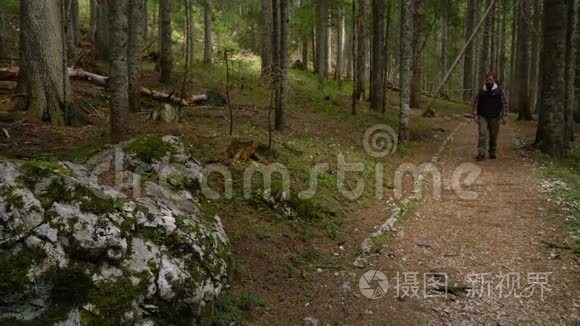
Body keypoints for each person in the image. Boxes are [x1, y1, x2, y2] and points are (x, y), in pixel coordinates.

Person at [473, 72, 508, 161]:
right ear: (486, 80)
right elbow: (476, 103)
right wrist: (475, 114)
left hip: (495, 116)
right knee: (482, 133)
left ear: (494, 80)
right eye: (488, 79)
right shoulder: (481, 90)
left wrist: (505, 115)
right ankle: (481, 153)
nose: (489, 81)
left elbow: (504, 103)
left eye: (491, 79)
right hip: (483, 115)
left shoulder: (499, 90)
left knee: (493, 135)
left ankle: (492, 151)